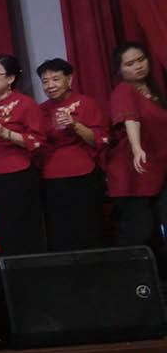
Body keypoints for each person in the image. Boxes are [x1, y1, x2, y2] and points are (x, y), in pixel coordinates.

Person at [0, 53, 47, 255]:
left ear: (10, 78)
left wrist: (7, 134)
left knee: (22, 226)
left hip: (18, 173)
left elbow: (38, 140)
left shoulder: (26, 104)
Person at [105, 42, 167, 266]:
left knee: (156, 234)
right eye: (130, 64)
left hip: (158, 170)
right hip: (134, 173)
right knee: (139, 233)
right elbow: (131, 119)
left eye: (141, 60)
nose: (138, 66)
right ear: (120, 70)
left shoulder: (156, 94)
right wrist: (137, 147)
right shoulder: (124, 90)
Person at [37, 58, 108, 251]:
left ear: (69, 79)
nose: (50, 85)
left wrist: (75, 125)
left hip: (83, 171)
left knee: (88, 224)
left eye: (55, 79)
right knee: (60, 227)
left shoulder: (86, 103)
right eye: (45, 81)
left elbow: (99, 140)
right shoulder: (40, 110)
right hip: (51, 174)